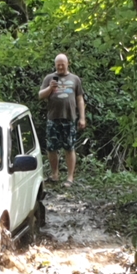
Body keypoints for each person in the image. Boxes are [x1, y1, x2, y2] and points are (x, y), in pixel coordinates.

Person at [37, 53, 86, 186]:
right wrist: (50, 88)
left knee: (69, 147)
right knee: (52, 148)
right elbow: (40, 95)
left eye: (62, 64)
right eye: (58, 64)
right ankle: (55, 174)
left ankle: (70, 177)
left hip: (69, 118)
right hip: (53, 118)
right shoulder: (49, 78)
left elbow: (80, 99)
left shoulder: (75, 79)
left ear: (67, 63)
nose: (60, 67)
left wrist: (82, 117)